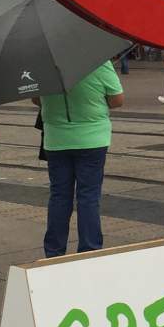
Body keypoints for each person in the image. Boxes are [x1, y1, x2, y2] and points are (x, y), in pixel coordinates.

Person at [39, 59, 123, 256]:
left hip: (57, 140)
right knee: (88, 197)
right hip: (92, 139)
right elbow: (117, 99)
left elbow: (36, 98)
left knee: (59, 196)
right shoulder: (98, 61)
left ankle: (54, 252)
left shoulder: (43, 64)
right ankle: (89, 250)